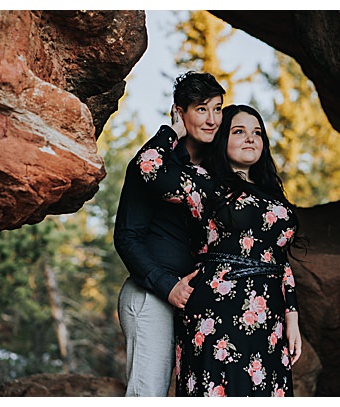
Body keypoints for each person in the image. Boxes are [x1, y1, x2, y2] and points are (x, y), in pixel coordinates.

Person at [133, 104, 303, 396]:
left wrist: (292, 317)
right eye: (239, 131)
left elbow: (280, 258)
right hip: (218, 312)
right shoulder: (204, 183)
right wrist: (176, 129)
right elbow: (147, 167)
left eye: (257, 133)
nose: (251, 138)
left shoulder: (273, 195)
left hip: (269, 318)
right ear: (222, 138)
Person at [114, 71, 225, 396]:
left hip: (196, 302)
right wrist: (168, 286)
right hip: (152, 296)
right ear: (180, 111)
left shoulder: (215, 170)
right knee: (149, 394)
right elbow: (126, 237)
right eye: (201, 109)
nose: (212, 119)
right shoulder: (154, 164)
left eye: (217, 109)